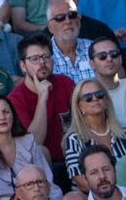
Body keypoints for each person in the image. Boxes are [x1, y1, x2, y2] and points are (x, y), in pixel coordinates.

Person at [9, 33, 76, 165]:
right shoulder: (15, 99)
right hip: (42, 167)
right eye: (34, 59)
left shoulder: (65, 83)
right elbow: (34, 145)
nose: (42, 62)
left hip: (74, 158)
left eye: (46, 57)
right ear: (23, 66)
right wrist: (42, 99)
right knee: (40, 150)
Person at [64, 77, 126, 186]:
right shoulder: (74, 139)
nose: (95, 99)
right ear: (80, 107)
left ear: (106, 100)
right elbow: (81, 181)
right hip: (93, 195)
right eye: (88, 97)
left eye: (99, 94)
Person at [47, 0, 92, 82]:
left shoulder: (94, 49)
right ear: (50, 27)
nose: (68, 21)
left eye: (72, 15)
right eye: (60, 17)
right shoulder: (43, 57)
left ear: (79, 20)